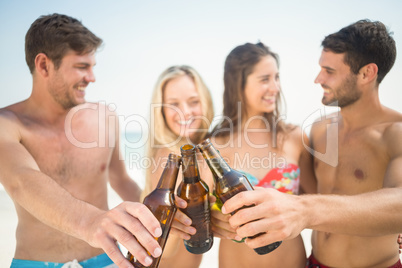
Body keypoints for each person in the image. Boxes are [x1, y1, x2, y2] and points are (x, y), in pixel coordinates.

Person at [221, 20, 402, 267]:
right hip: (314, 262)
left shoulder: (396, 133)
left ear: (367, 73)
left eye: (330, 71)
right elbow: (306, 191)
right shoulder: (319, 130)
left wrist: (305, 211)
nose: (318, 78)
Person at [0, 13, 171, 268]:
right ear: (44, 65)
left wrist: (162, 213)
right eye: (81, 66)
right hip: (33, 263)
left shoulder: (105, 117)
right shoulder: (7, 124)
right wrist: (90, 222)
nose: (92, 77)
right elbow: (21, 181)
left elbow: (121, 179)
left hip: (104, 260)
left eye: (92, 66)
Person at [208, 42, 316, 267]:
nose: (275, 87)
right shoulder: (212, 147)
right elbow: (196, 220)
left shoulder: (294, 137)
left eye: (277, 77)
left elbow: (320, 204)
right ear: (239, 84)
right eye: (265, 79)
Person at [141, 65, 215, 268]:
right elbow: (165, 250)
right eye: (173, 104)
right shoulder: (168, 158)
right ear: (162, 111)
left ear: (205, 102)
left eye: (193, 102)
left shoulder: (205, 150)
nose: (185, 112)